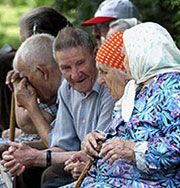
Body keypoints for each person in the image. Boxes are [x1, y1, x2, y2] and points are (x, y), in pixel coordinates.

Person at [61, 22, 180, 188]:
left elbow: (176, 143)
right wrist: (97, 146)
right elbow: (127, 136)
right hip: (112, 181)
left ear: (141, 53)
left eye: (126, 55)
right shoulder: (139, 88)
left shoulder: (173, 87)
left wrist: (134, 150)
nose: (124, 63)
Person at [1, 27, 116, 188]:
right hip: (80, 163)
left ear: (95, 55)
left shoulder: (109, 85)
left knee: (49, 176)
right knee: (29, 172)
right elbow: (62, 145)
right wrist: (24, 154)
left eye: (80, 63)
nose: (75, 75)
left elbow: (99, 152)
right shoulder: (67, 89)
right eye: (66, 68)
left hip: (106, 167)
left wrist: (36, 156)